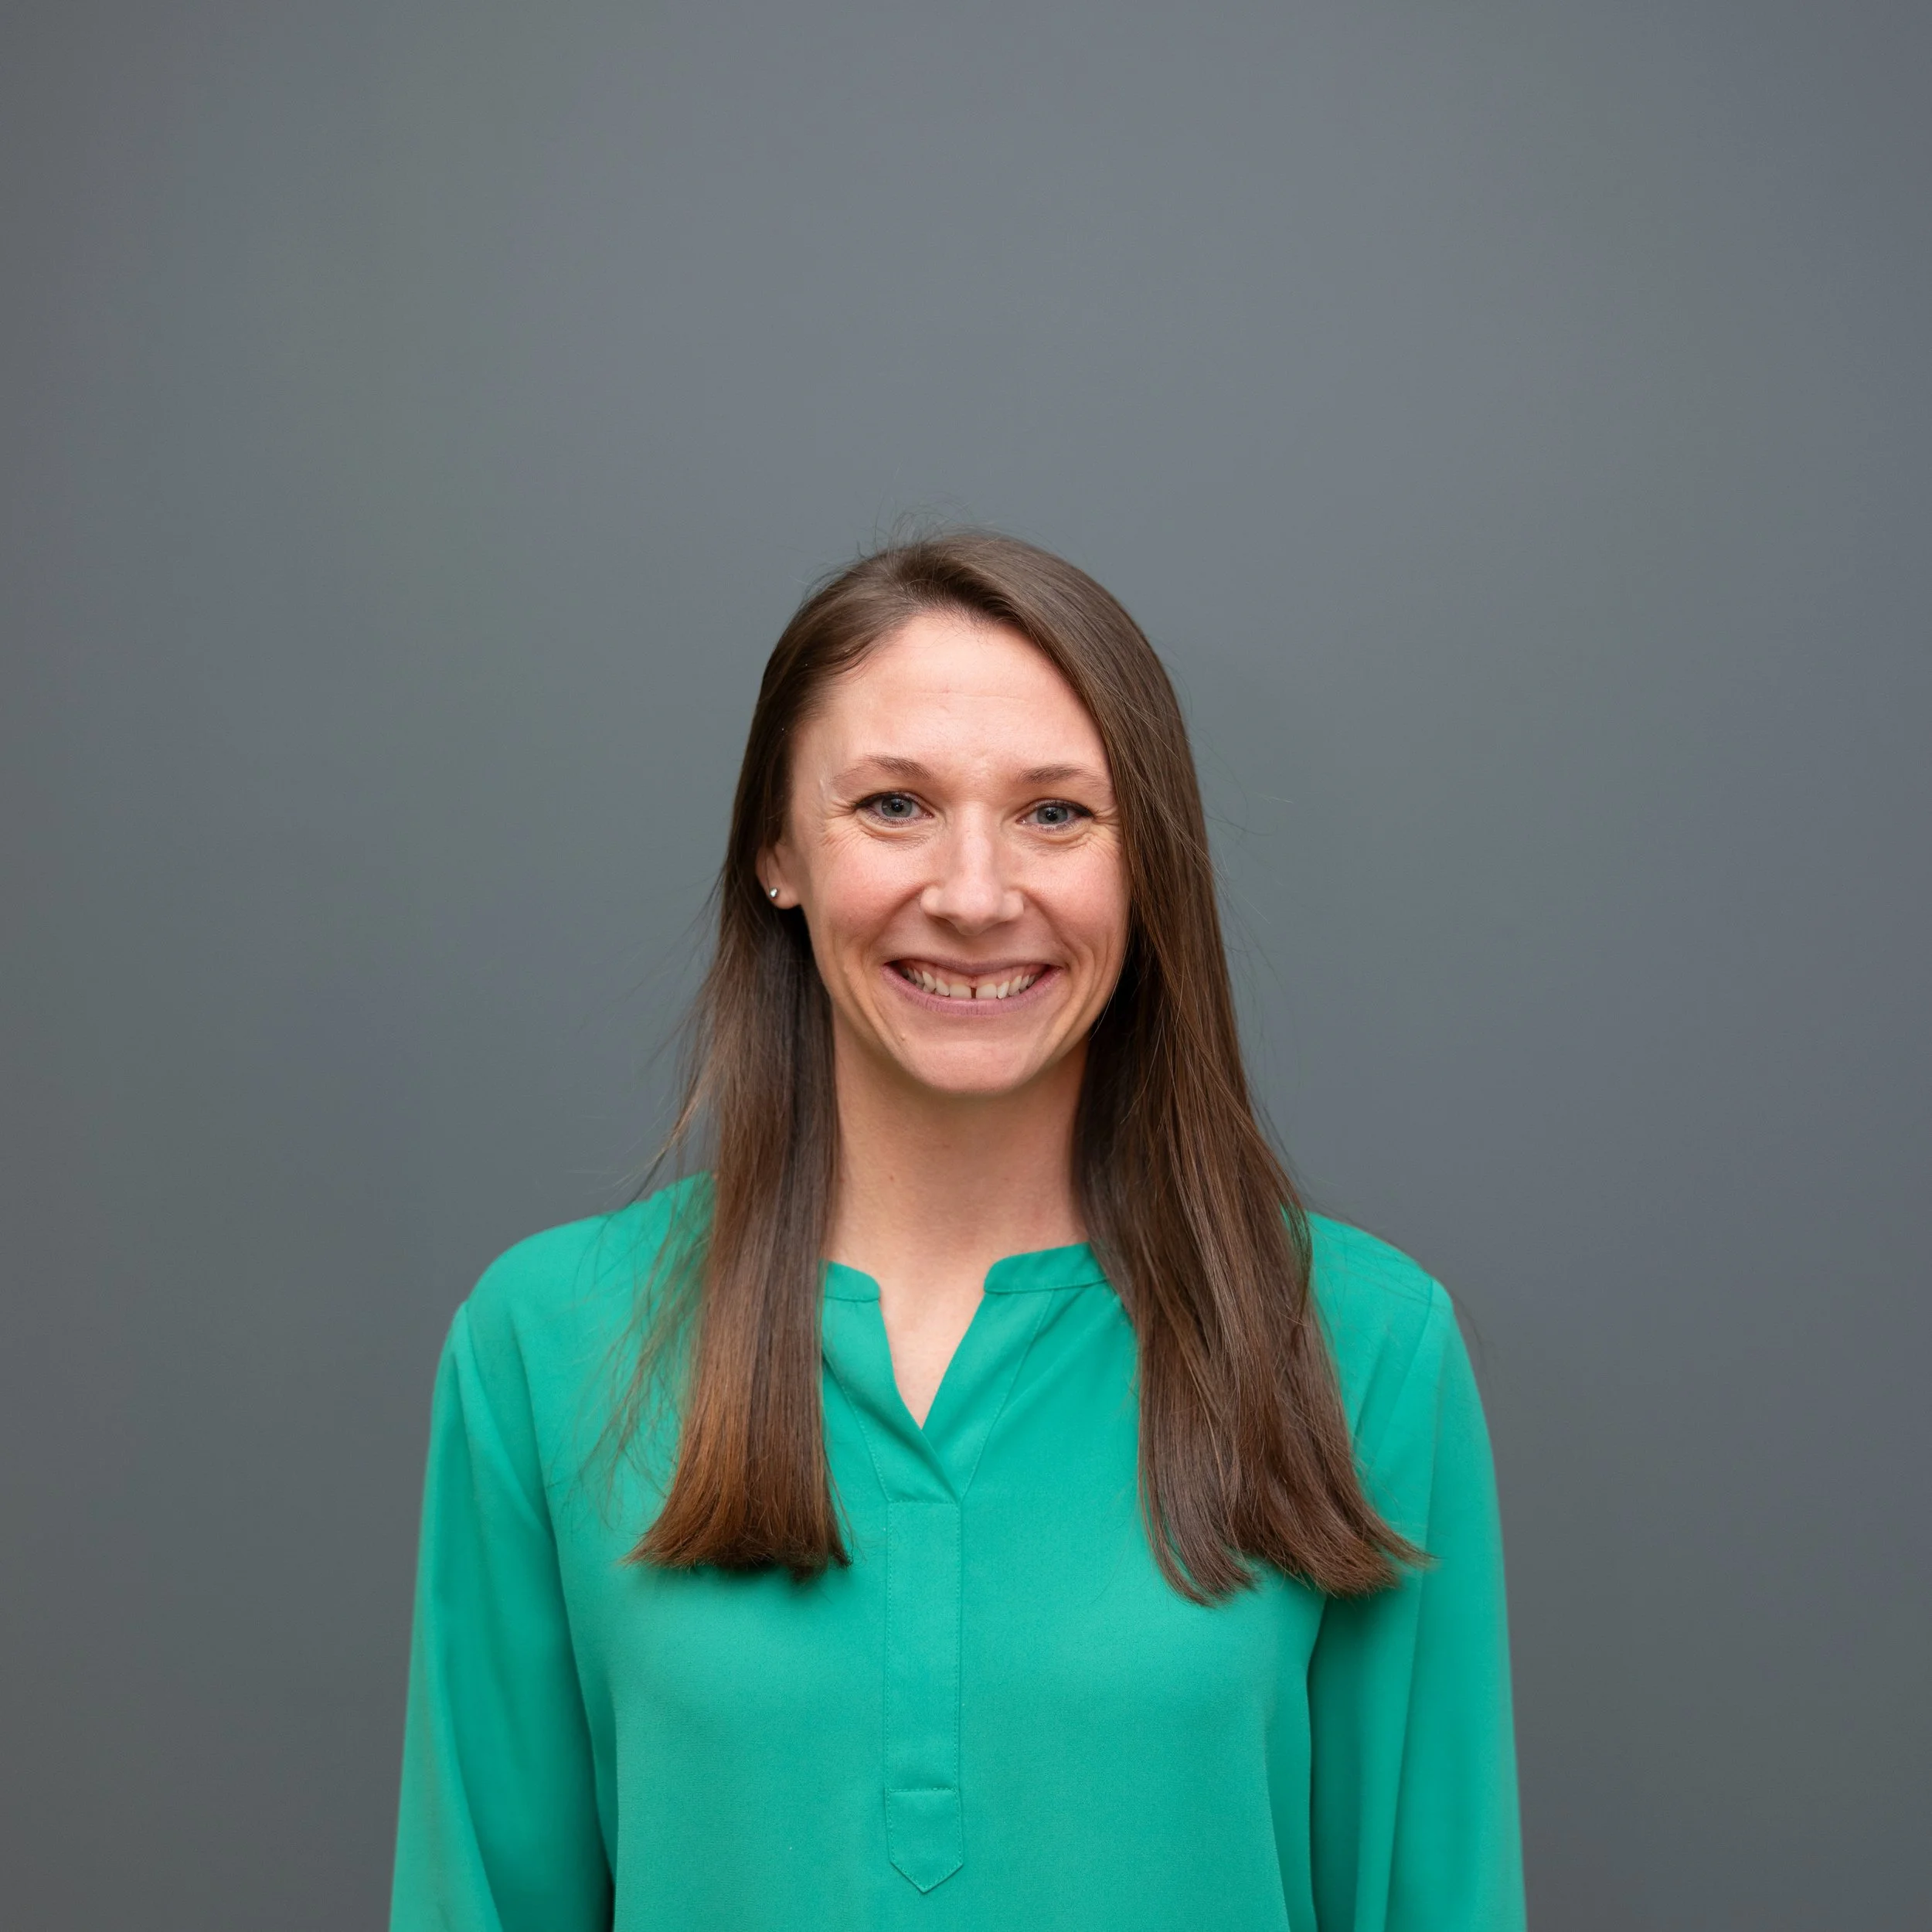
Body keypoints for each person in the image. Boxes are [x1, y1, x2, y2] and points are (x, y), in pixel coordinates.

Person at [389, 532, 1526, 1930]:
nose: (978, 894)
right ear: (776, 851)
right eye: (894, 806)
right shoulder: (546, 1346)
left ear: (1146, 866)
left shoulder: (1362, 1345)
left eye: (1057, 815)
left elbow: (1440, 1898)